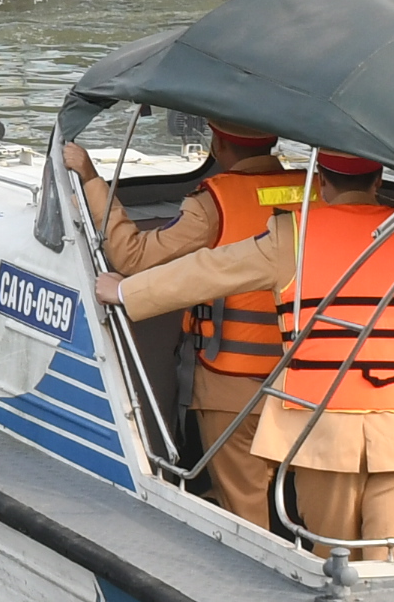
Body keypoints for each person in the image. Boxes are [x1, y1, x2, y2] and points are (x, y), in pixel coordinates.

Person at [102, 147, 394, 559]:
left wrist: (126, 292)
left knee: (333, 560)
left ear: (321, 182)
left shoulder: (290, 236)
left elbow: (208, 271)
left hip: (327, 429)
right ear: (378, 182)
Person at [71, 121, 301, 528]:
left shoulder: (213, 204)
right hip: (312, 380)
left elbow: (134, 258)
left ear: (217, 143)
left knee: (246, 509)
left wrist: (91, 179)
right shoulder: (317, 192)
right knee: (307, 501)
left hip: (233, 383)